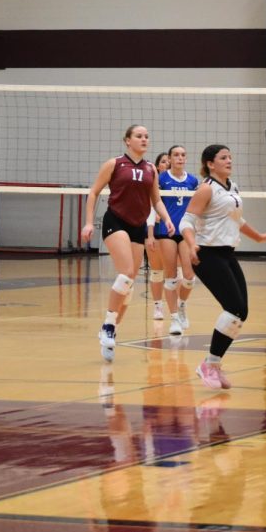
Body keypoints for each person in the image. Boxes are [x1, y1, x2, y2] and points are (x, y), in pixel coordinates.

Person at [179, 144, 266, 389]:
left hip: (227, 254)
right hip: (207, 254)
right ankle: (208, 365)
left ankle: (213, 363)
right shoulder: (206, 189)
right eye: (223, 157)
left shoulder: (232, 187)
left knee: (241, 312)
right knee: (233, 308)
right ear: (210, 164)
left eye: (230, 157)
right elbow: (186, 221)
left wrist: (258, 237)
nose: (229, 161)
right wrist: (191, 245)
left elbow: (237, 219)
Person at [81, 125, 174, 362]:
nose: (144, 139)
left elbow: (157, 200)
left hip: (138, 225)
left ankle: (110, 329)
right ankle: (108, 326)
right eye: (139, 136)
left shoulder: (151, 168)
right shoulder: (114, 164)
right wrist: (89, 223)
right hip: (116, 221)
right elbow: (93, 193)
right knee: (125, 274)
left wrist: (167, 218)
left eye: (146, 136)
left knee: (129, 287)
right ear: (127, 141)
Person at [156, 146, 199, 337]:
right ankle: (174, 318)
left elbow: (199, 206)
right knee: (171, 275)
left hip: (185, 229)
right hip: (166, 230)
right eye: (176, 155)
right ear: (170, 159)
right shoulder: (162, 179)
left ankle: (182, 306)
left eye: (183, 155)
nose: (180, 158)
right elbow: (154, 202)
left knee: (189, 276)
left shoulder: (192, 180)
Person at [144, 152, 172, 323]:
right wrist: (150, 234)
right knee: (156, 271)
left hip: (173, 231)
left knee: (175, 272)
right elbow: (150, 209)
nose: (167, 164)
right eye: (163, 161)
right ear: (157, 165)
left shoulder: (180, 182)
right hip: (154, 229)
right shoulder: (153, 183)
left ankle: (176, 308)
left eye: (169, 161)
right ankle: (157, 306)